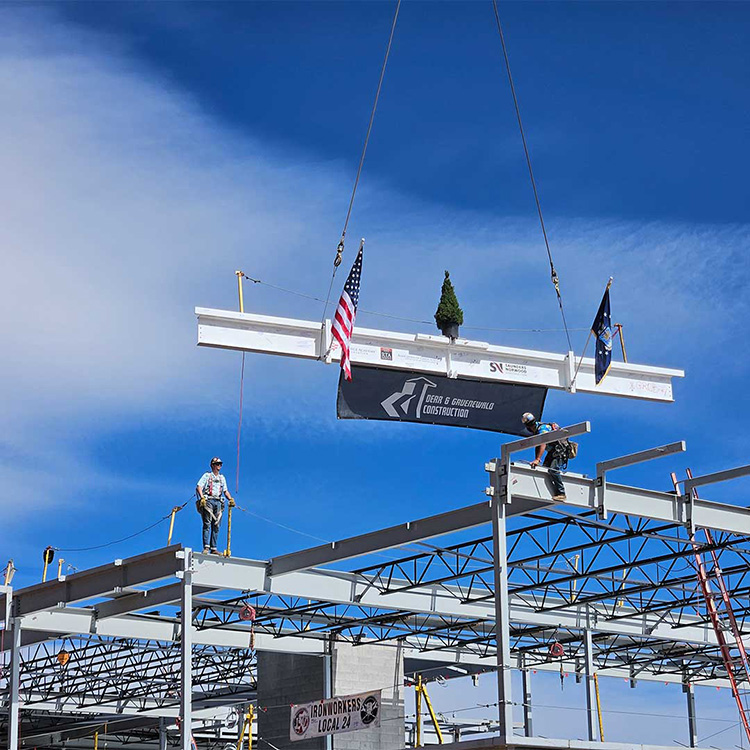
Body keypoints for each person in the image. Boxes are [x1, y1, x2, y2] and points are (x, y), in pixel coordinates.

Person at [521, 413, 567, 501]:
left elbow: (543, 443)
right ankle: (549, 490)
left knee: (553, 470)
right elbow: (537, 445)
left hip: (559, 451)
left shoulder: (543, 428)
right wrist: (536, 459)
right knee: (545, 469)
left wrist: (538, 459)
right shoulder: (537, 430)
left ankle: (561, 493)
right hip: (553, 452)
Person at [196, 457, 235, 554]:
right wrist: (202, 498)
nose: (219, 466)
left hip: (218, 502)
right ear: (212, 465)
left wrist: (230, 499)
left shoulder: (222, 478)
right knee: (207, 523)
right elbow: (199, 487)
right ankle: (206, 547)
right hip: (208, 500)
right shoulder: (207, 476)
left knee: (216, 525)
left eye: (220, 464)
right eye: (217, 464)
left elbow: (225, 491)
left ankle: (213, 548)